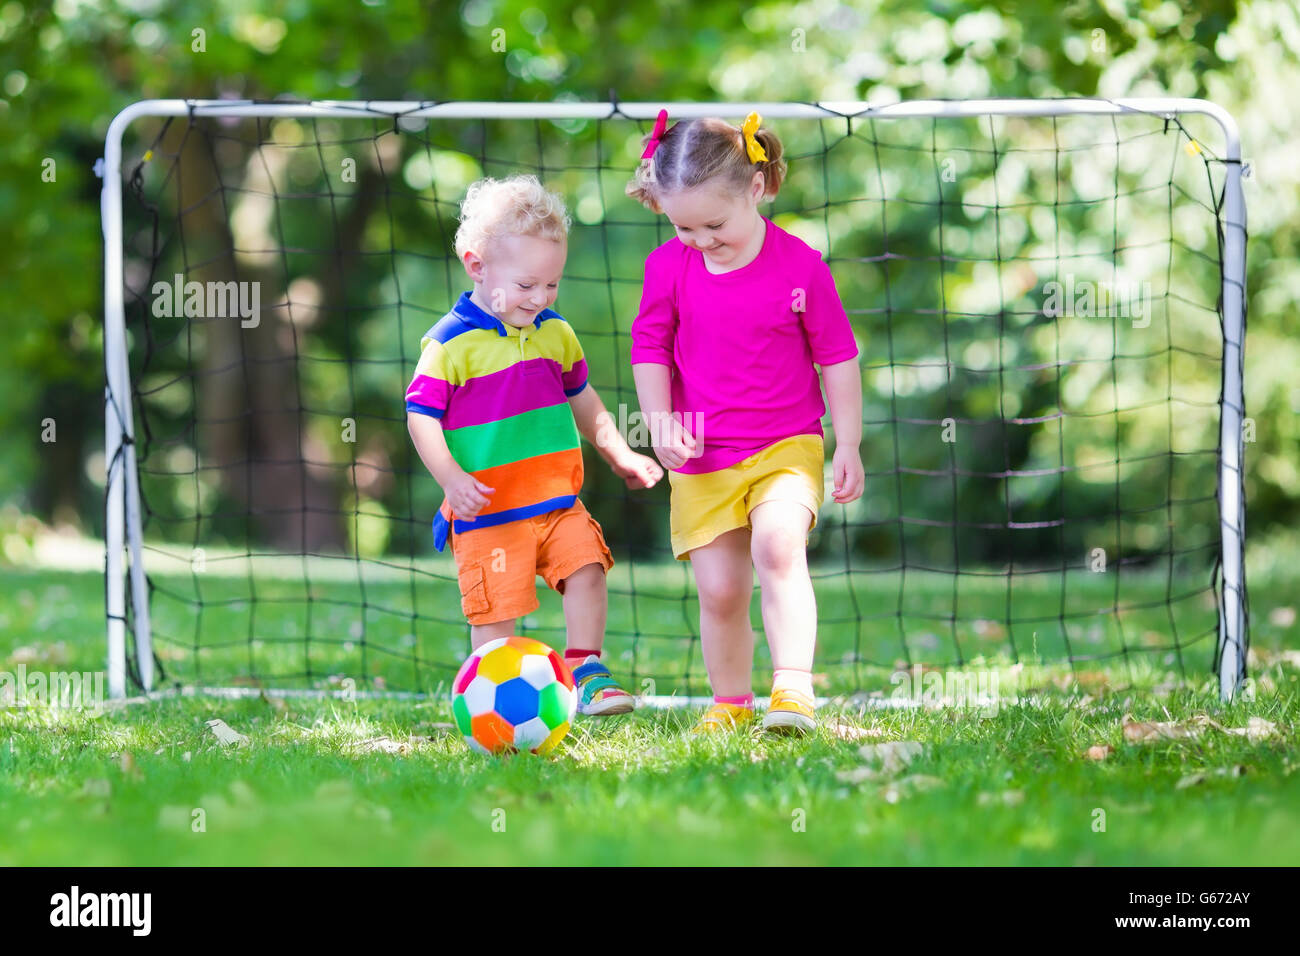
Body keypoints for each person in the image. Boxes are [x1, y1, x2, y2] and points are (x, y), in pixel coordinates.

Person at [626, 110, 864, 735]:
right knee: (722, 591)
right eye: (683, 226)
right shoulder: (667, 269)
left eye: (715, 224)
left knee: (777, 547)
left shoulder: (802, 267)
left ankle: (792, 691)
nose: (701, 239)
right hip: (703, 457)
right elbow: (649, 347)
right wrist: (659, 421)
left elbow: (837, 356)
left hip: (787, 445)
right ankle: (731, 703)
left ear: (756, 190)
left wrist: (850, 443)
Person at [407, 174, 662, 715]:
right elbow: (420, 417)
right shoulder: (450, 343)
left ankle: (587, 671)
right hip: (489, 513)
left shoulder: (555, 333)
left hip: (557, 501)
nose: (541, 297)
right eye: (526, 286)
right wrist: (451, 479)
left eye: (552, 284)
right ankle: (495, 709)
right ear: (478, 266)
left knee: (588, 570)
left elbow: (585, 399)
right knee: (497, 618)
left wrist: (619, 452)